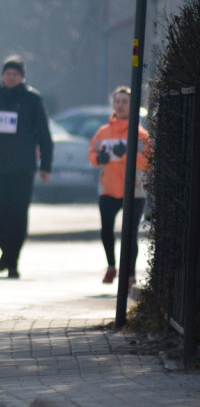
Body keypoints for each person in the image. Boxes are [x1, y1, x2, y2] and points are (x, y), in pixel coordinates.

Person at [0, 55, 53, 279]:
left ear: (22, 77)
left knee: (17, 215)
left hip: (23, 168)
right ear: (2, 75)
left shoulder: (32, 100)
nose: (11, 77)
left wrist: (46, 165)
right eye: (8, 73)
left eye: (15, 74)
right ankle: (7, 252)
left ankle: (12, 261)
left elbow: (44, 135)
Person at [88, 86, 151, 285]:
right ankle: (111, 266)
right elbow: (92, 155)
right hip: (108, 189)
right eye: (118, 102)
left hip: (133, 191)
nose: (121, 105)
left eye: (125, 102)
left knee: (130, 233)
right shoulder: (103, 132)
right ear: (113, 105)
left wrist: (127, 152)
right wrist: (99, 157)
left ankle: (130, 274)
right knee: (106, 229)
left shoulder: (140, 134)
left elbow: (147, 163)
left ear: (133, 106)